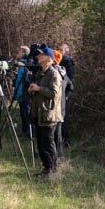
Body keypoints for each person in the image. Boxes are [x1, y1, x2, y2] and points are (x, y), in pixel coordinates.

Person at [28, 46, 63, 178]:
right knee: (41, 144)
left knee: (48, 144)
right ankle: (46, 169)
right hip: (39, 113)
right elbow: (39, 90)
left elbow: (53, 93)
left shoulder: (54, 74)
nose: (37, 57)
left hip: (48, 115)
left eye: (40, 55)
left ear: (48, 58)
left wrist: (38, 88)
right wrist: (32, 90)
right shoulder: (40, 73)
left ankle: (53, 171)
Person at [53, 50, 71, 163]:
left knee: (57, 133)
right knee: (55, 133)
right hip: (58, 107)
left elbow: (70, 86)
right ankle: (56, 155)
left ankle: (58, 156)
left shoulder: (59, 74)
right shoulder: (63, 73)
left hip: (58, 108)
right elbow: (71, 86)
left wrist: (65, 97)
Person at [12, 46, 31, 136]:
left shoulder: (26, 64)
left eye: (19, 52)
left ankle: (28, 131)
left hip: (24, 92)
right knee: (22, 112)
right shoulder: (19, 64)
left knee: (25, 112)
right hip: (20, 91)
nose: (17, 53)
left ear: (23, 53)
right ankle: (24, 130)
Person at [59, 44, 75, 147]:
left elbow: (70, 79)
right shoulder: (60, 60)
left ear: (66, 51)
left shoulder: (67, 61)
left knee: (64, 117)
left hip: (65, 93)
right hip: (61, 91)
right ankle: (62, 139)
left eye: (61, 50)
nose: (59, 51)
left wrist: (67, 95)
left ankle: (66, 140)